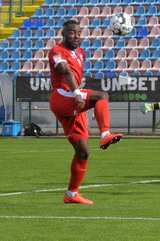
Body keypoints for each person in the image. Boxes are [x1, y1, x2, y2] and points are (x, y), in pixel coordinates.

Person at [48, 20, 123, 204]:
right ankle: (105, 133)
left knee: (83, 152)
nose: (76, 36)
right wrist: (77, 93)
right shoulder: (56, 51)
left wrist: (78, 94)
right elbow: (66, 71)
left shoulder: (81, 52)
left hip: (74, 100)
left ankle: (71, 194)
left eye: (79, 33)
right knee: (101, 96)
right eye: (72, 32)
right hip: (62, 96)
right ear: (63, 33)